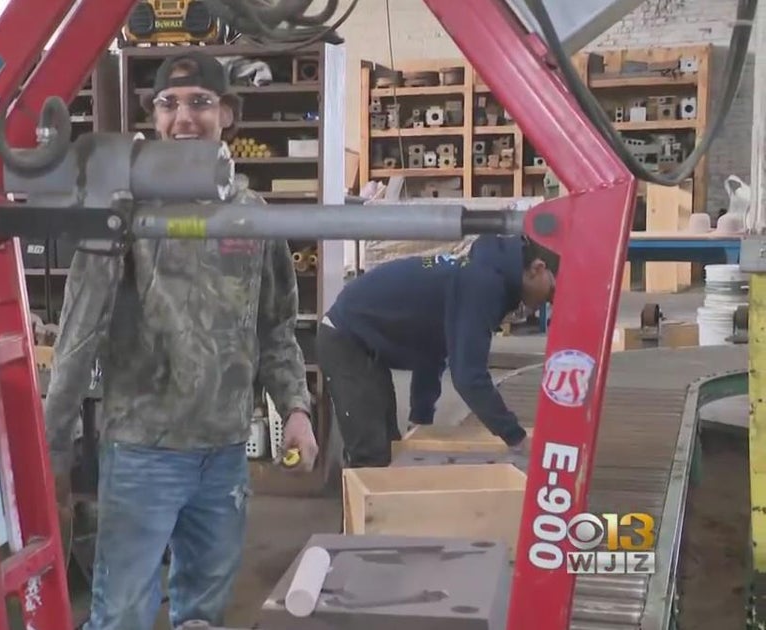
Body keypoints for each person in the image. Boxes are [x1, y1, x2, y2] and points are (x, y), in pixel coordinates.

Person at [41, 50, 319, 630]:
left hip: (223, 453)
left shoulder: (253, 216)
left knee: (204, 613)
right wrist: (53, 445)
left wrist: (295, 408)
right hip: (144, 449)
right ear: (155, 117)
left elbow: (275, 325)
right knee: (121, 614)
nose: (183, 117)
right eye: (169, 104)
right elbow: (79, 331)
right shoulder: (123, 209)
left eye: (200, 103)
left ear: (228, 115)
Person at [316, 234, 556, 468]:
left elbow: (432, 348)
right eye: (553, 290)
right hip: (345, 338)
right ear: (538, 268)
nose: (550, 301)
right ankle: (355, 505)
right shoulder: (484, 284)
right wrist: (517, 438)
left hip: (364, 342)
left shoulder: (482, 276)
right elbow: (469, 378)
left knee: (390, 448)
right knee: (371, 455)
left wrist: (420, 420)